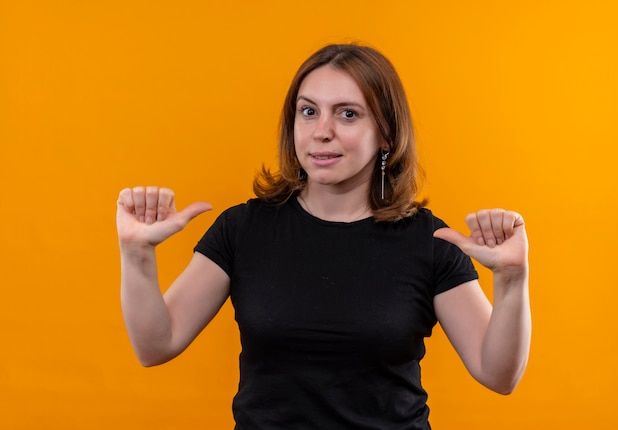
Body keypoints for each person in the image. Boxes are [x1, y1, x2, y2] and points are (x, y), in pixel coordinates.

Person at [116, 43, 530, 429]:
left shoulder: (429, 241)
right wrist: (136, 253)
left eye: (347, 113)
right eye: (308, 111)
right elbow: (156, 345)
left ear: (386, 133)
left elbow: (498, 375)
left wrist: (512, 280)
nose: (322, 131)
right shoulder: (243, 229)